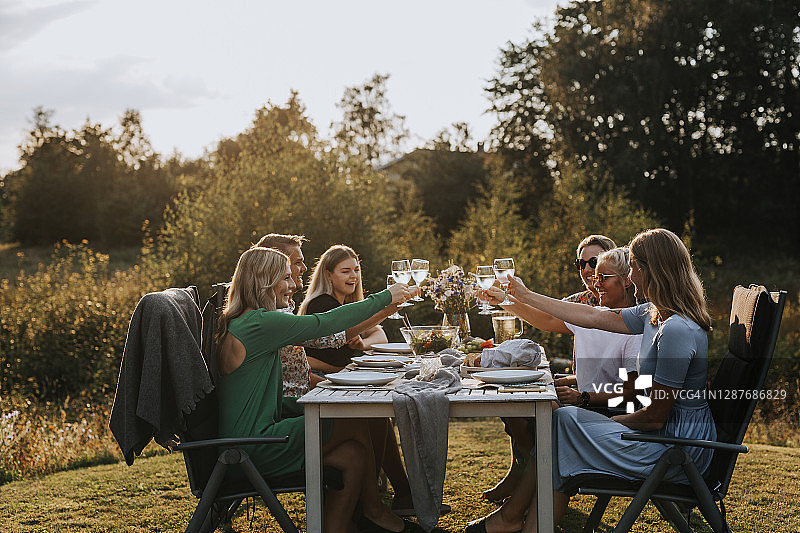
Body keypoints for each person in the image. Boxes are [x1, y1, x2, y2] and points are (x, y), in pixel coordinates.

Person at [468, 228, 715, 533]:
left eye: (635, 266)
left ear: (654, 270)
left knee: (563, 425)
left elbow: (653, 417)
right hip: (659, 437)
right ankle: (524, 523)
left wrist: (597, 424)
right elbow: (594, 317)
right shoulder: (654, 314)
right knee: (560, 423)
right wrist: (522, 295)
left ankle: (516, 519)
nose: (631, 275)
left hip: (672, 450)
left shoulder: (676, 330)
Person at [216, 246, 421, 533]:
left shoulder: (244, 321)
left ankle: (342, 525)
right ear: (264, 281)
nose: (292, 285)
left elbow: (259, 400)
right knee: (355, 421)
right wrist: (385, 297)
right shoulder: (260, 323)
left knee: (353, 454)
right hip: (253, 448)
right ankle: (376, 514)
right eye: (285, 278)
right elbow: (324, 324)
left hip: (253, 439)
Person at [483, 235, 619, 503]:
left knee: (539, 408)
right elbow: (544, 316)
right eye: (582, 264)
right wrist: (504, 300)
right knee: (513, 397)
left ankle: (538, 481)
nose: (588, 270)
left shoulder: (621, 309)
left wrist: (579, 391)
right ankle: (524, 473)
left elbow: (626, 381)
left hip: (604, 399)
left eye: (595, 262)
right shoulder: (584, 300)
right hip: (586, 386)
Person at [299, 244, 417, 514]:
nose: (353, 276)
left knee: (380, 417)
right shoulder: (322, 304)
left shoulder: (346, 304)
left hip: (339, 378)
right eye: (345, 271)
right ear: (328, 275)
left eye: (356, 270)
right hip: (322, 382)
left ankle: (393, 492)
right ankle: (386, 494)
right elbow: (335, 337)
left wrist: (363, 343)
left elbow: (381, 336)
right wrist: (383, 311)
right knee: (375, 417)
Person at [253, 233, 348, 397]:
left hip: (303, 397)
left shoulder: (285, 306)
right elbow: (329, 336)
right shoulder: (269, 316)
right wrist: (384, 306)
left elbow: (299, 375)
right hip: (288, 408)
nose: (304, 268)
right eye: (298, 262)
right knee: (364, 414)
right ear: (274, 265)